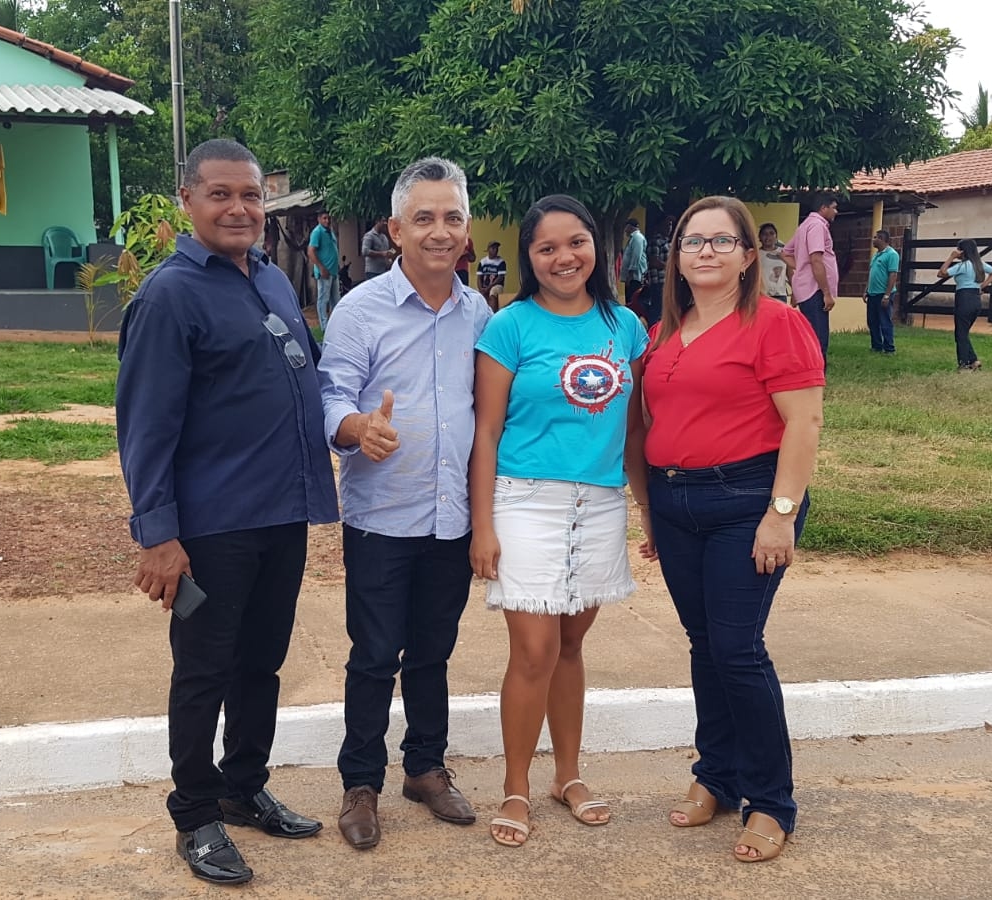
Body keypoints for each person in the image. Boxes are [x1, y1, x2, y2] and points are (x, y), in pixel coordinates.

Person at [116, 139, 340, 887]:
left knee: (261, 664)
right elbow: (146, 425)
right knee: (203, 671)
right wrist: (158, 535)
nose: (240, 207)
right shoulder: (169, 295)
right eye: (220, 194)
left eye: (250, 194)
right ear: (188, 201)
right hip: (211, 525)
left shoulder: (272, 280)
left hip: (281, 515)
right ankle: (196, 811)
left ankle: (243, 786)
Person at [628, 196, 824, 864]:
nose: (704, 252)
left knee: (738, 649)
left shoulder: (777, 324)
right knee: (704, 644)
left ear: (748, 256)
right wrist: (653, 512)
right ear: (675, 258)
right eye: (691, 241)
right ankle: (717, 774)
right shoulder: (662, 333)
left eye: (720, 241)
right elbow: (650, 427)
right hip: (677, 502)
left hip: (747, 500)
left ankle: (770, 799)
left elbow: (804, 422)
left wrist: (781, 514)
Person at [318, 157, 493, 851]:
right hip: (381, 518)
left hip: (450, 517)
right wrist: (359, 429)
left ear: (467, 228)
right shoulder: (361, 310)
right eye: (423, 219)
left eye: (452, 217)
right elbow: (331, 396)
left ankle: (424, 767)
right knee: (372, 655)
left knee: (432, 651)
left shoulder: (479, 312)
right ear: (396, 230)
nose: (439, 231)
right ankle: (360, 782)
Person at [470, 194, 649, 848]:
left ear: (596, 246)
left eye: (575, 242)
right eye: (546, 248)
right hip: (525, 501)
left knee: (572, 647)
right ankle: (516, 785)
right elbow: (486, 432)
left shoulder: (624, 325)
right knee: (534, 650)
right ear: (529, 258)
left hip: (598, 503)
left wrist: (645, 512)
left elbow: (633, 430)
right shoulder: (509, 326)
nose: (562, 257)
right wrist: (482, 525)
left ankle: (566, 776)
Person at [785, 194, 838, 360]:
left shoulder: (804, 226)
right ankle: (816, 377)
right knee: (818, 339)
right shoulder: (817, 226)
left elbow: (785, 253)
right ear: (823, 208)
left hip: (807, 289)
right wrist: (827, 293)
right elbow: (816, 259)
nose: (836, 212)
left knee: (810, 336)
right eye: (834, 207)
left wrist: (801, 267)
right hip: (815, 290)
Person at [938, 238, 992, 371]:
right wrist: (981, 286)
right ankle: (973, 361)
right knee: (963, 333)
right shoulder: (979, 264)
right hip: (976, 300)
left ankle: (964, 363)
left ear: (963, 251)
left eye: (959, 249)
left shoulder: (963, 266)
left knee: (960, 334)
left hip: (963, 299)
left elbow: (941, 273)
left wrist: (951, 257)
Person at [866, 229, 900, 354]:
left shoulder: (892, 254)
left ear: (881, 239)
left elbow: (893, 275)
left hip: (883, 293)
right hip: (872, 293)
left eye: (875, 237)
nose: (873, 240)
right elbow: (872, 273)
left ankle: (889, 348)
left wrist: (887, 295)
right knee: (872, 321)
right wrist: (866, 290)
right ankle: (876, 346)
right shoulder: (876, 255)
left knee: (885, 321)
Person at [309, 210, 341, 327]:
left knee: (336, 300)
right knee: (324, 299)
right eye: (324, 218)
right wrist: (321, 268)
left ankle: (335, 324)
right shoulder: (317, 232)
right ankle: (324, 326)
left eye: (328, 218)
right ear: (319, 219)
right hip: (324, 272)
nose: (327, 221)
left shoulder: (330, 231)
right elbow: (311, 251)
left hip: (333, 271)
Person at [621, 218, 652, 326]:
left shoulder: (637, 238)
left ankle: (635, 323)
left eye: (626, 227)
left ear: (630, 226)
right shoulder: (633, 238)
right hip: (632, 276)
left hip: (635, 277)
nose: (625, 230)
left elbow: (636, 257)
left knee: (633, 301)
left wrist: (630, 273)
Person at [758, 223, 791, 306]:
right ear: (759, 237)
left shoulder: (783, 253)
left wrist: (796, 293)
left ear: (776, 237)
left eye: (771, 233)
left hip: (780, 295)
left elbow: (790, 274)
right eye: (764, 234)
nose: (768, 236)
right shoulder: (755, 255)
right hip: (761, 295)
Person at [361, 216, 395, 283]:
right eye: (383, 221)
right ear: (377, 222)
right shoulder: (369, 235)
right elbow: (364, 251)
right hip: (373, 272)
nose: (385, 223)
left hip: (384, 271)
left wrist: (390, 257)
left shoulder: (384, 237)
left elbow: (387, 252)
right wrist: (381, 253)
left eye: (385, 221)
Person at [477, 240, 508, 310]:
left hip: (497, 285)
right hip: (485, 286)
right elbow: (479, 277)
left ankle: (492, 315)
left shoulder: (501, 262)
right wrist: (480, 288)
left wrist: (489, 287)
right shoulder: (482, 262)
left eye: (497, 248)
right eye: (493, 248)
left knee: (493, 292)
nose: (495, 250)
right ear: (488, 250)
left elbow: (500, 277)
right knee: (478, 296)